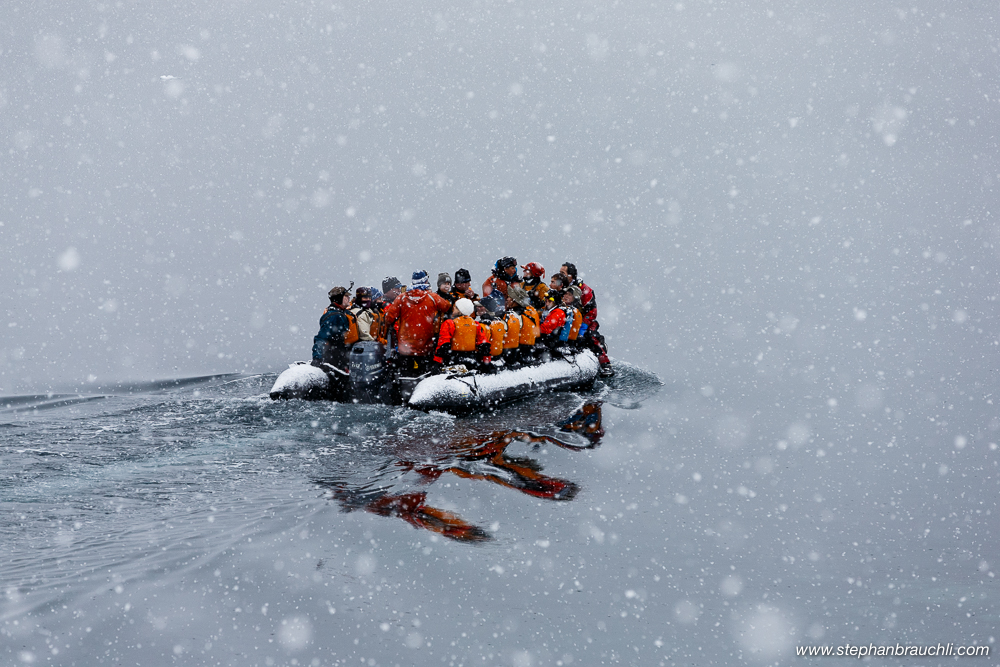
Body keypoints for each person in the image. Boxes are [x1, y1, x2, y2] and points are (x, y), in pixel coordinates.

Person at [383, 270, 453, 375]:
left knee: (406, 377)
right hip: (425, 348)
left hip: (405, 350)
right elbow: (447, 306)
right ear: (425, 282)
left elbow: (388, 319)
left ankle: (405, 390)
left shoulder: (401, 298)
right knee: (424, 377)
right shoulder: (432, 297)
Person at [560, 262, 613, 376]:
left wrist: (582, 327)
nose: (560, 275)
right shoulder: (560, 288)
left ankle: (605, 364)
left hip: (583, 322)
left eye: (562, 273)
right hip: (565, 321)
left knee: (591, 337)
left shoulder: (585, 290)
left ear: (571, 276)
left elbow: (591, 312)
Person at [311, 284, 360, 398]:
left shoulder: (343, 313)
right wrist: (317, 357)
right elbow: (321, 338)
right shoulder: (334, 317)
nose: (348, 298)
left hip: (342, 358)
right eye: (346, 296)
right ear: (340, 299)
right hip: (335, 359)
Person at [433, 298, 491, 369]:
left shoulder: (450, 323)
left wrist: (437, 363)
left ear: (460, 310)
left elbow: (443, 344)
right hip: (472, 360)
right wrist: (487, 362)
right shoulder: (476, 324)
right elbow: (484, 344)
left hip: (453, 359)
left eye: (455, 307)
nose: (453, 308)